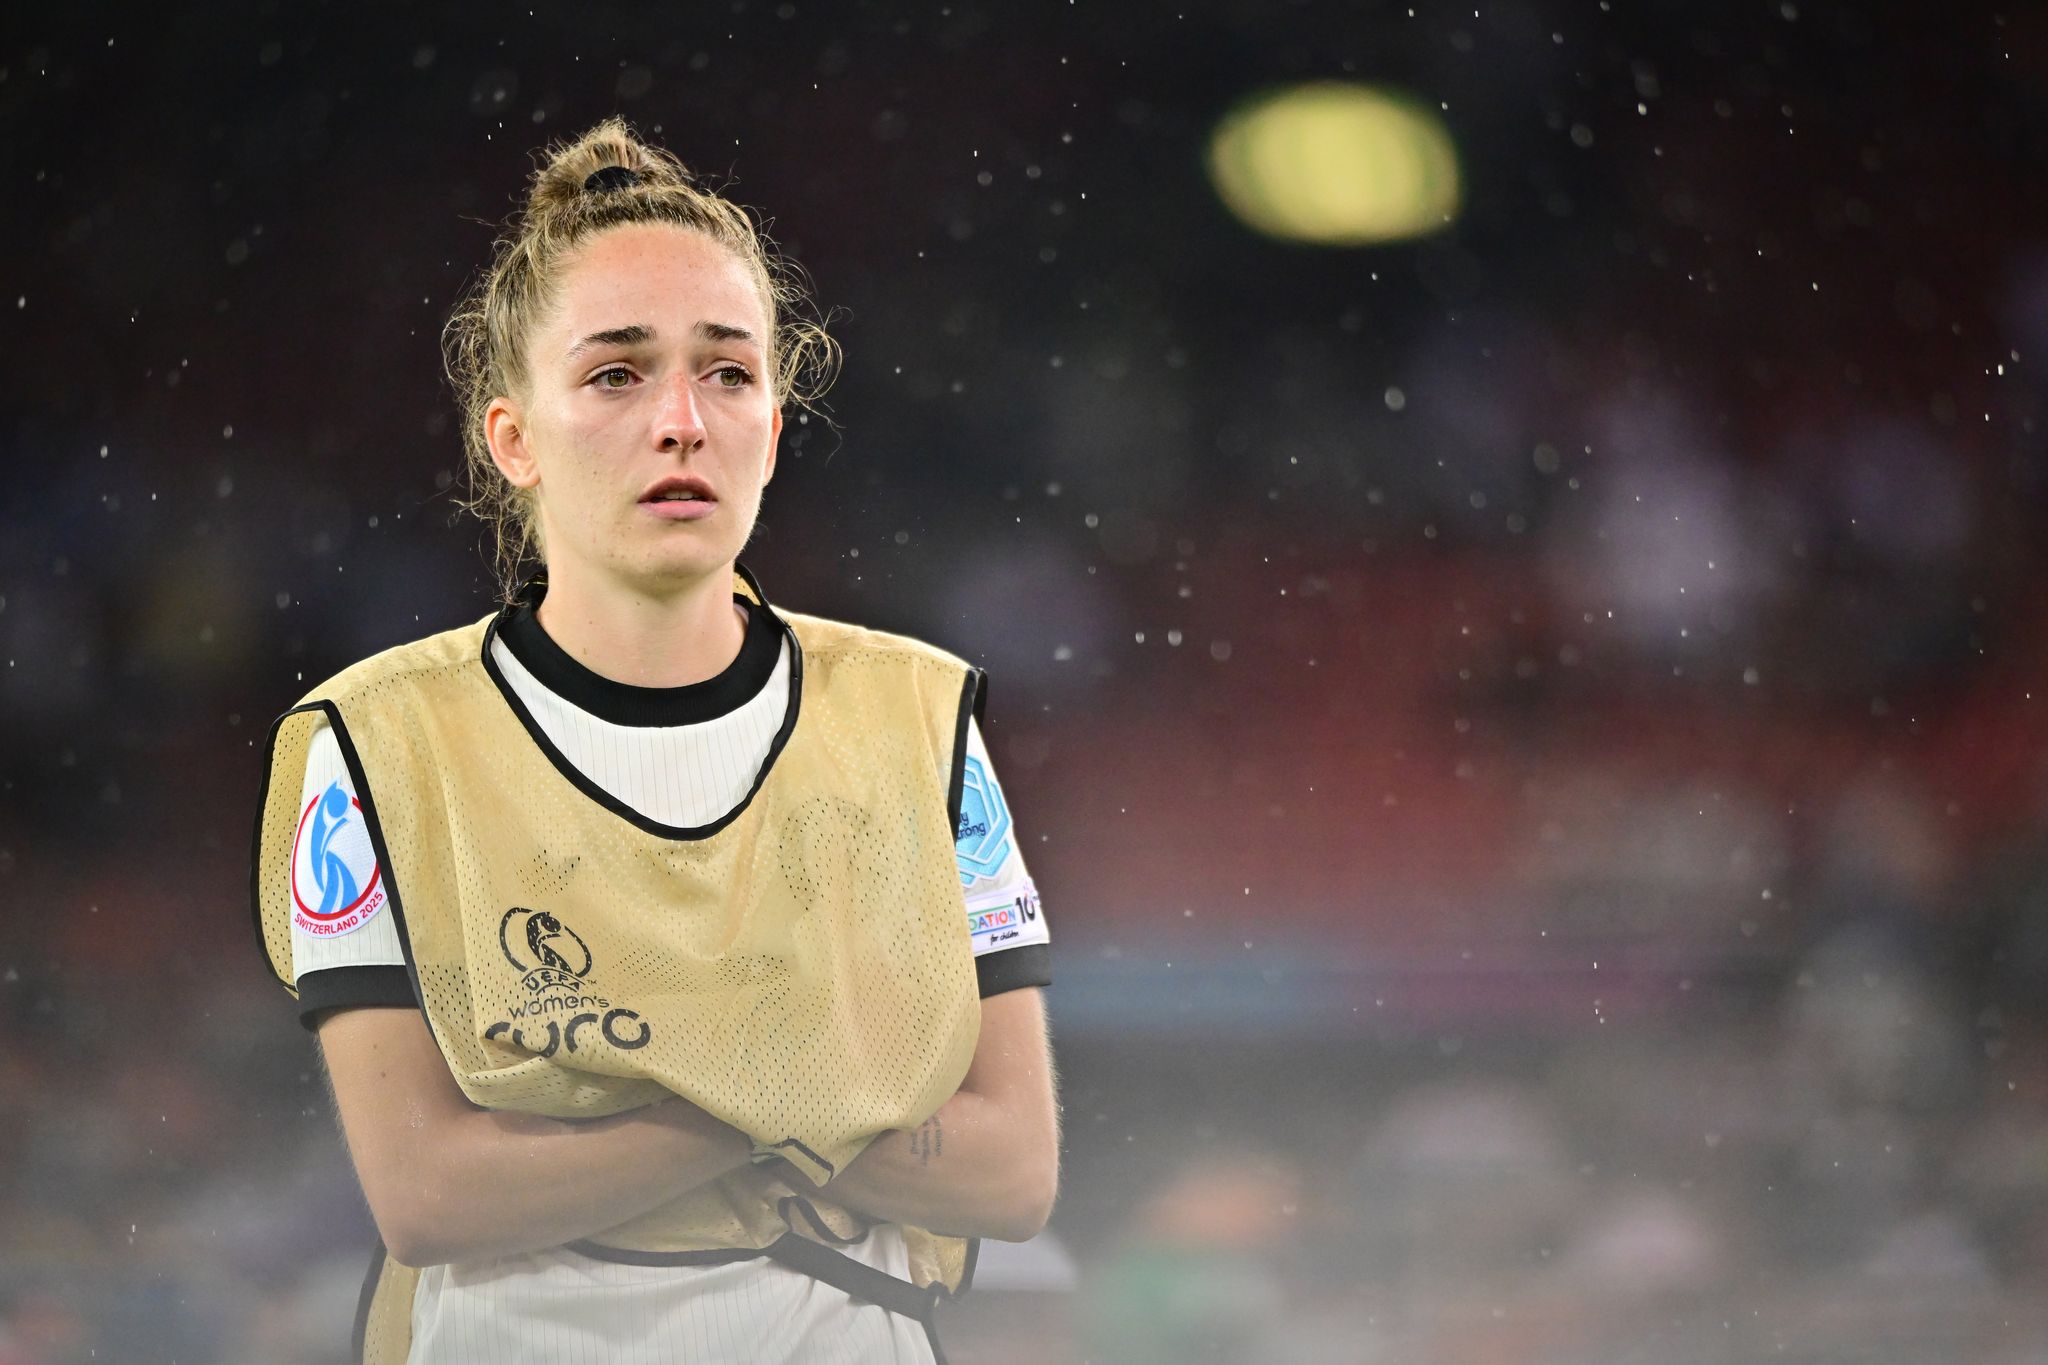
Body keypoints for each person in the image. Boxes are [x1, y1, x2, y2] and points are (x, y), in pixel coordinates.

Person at [249, 118, 1059, 1365]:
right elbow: (429, 1195)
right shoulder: (373, 746)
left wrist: (627, 1105)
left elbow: (1010, 1171)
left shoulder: (916, 719)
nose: (681, 419)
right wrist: (792, 1087)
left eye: (727, 373)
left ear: (772, 429)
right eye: (616, 375)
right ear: (512, 437)